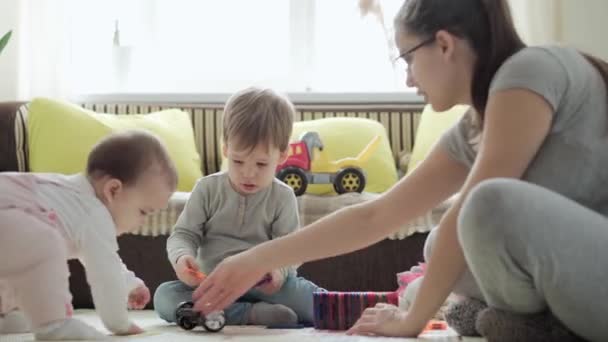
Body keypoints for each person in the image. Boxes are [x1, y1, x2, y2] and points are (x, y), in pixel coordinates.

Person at [190, 1, 608, 341]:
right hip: (574, 278)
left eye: (407, 58)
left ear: (443, 44)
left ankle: (533, 325)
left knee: (481, 207)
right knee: (436, 251)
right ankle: (527, 321)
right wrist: (255, 257)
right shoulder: (475, 126)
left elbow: (473, 210)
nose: (408, 79)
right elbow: (378, 215)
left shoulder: (529, 70)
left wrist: (411, 322)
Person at [153, 87, 323, 327]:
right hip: (212, 285)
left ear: (283, 155)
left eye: (262, 164)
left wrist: (278, 272)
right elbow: (183, 234)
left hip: (266, 287)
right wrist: (183, 258)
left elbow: (291, 248)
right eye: (238, 161)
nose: (248, 173)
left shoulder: (283, 196)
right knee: (165, 298)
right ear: (226, 148)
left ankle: (232, 313)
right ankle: (250, 315)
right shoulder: (207, 189)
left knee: (315, 301)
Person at [0, 130, 177, 340]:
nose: (142, 222)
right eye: (143, 212)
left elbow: (103, 259)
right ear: (113, 190)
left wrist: (129, 283)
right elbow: (104, 271)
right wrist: (118, 322)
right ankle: (54, 325)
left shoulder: (74, 199)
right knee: (44, 243)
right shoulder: (94, 211)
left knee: (21, 264)